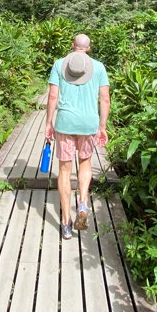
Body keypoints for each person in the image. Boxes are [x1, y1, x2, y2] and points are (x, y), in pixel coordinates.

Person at [45, 33, 110, 239]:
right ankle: (82, 202)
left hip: (65, 124)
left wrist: (49, 123)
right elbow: (105, 99)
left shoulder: (59, 64)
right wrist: (102, 126)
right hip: (88, 124)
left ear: (72, 46)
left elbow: (53, 95)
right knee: (85, 163)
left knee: (64, 171)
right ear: (88, 48)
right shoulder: (99, 67)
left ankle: (65, 222)